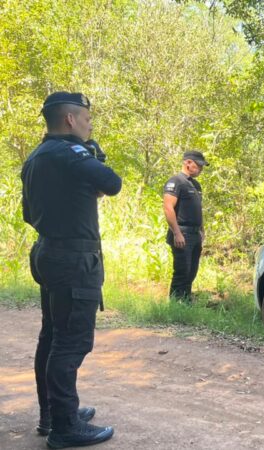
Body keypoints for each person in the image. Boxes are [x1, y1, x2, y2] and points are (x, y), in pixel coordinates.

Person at [21, 92, 121, 448]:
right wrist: (92, 149)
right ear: (70, 120)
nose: (90, 125)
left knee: (52, 337)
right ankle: (65, 429)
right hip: (74, 260)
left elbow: (28, 214)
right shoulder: (71, 154)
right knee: (70, 342)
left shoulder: (35, 157)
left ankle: (54, 415)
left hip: (48, 253)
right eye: (88, 120)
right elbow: (112, 183)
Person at [162, 151, 208, 301]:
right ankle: (175, 305)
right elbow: (168, 208)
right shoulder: (176, 182)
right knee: (182, 271)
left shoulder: (196, 185)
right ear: (188, 163)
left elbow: (197, 209)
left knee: (191, 272)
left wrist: (202, 230)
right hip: (182, 232)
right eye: (198, 165)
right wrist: (176, 233)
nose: (201, 169)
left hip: (195, 234)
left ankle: (186, 302)